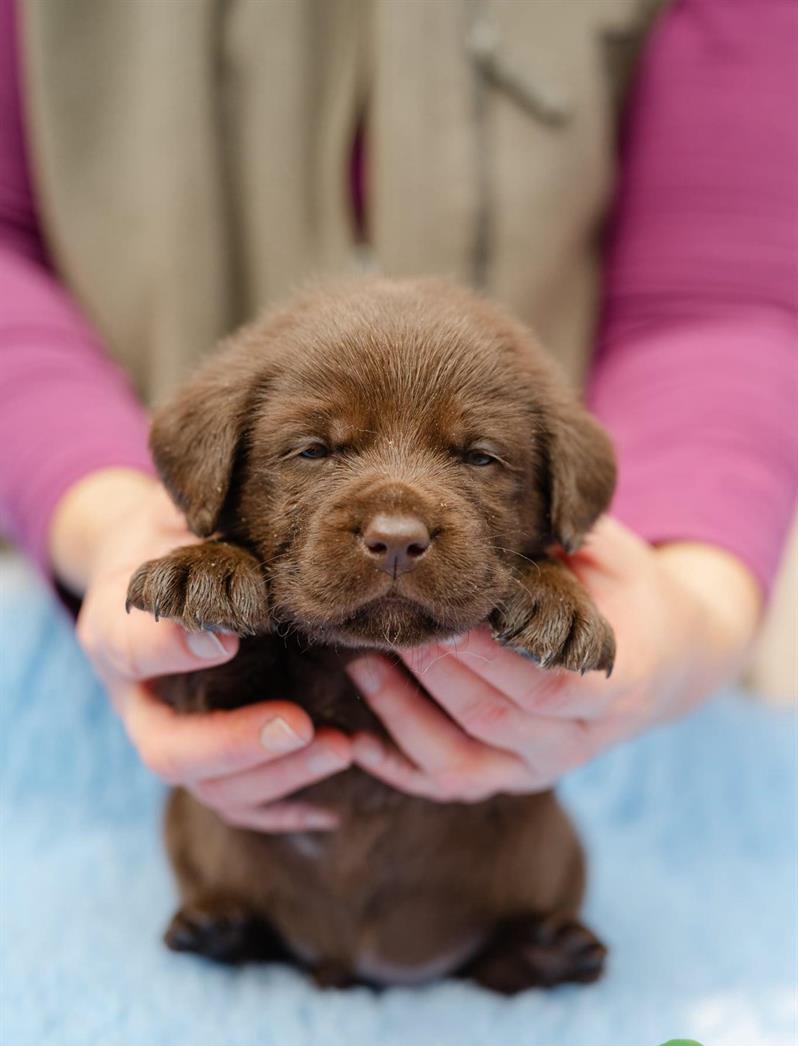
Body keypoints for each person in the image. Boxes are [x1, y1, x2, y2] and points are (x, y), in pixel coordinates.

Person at [1, 0, 795, 833]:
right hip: (79, 645)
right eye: (312, 450)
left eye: (480, 458)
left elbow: (722, 294)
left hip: (589, 763)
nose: (394, 522)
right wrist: (105, 520)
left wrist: (693, 611)